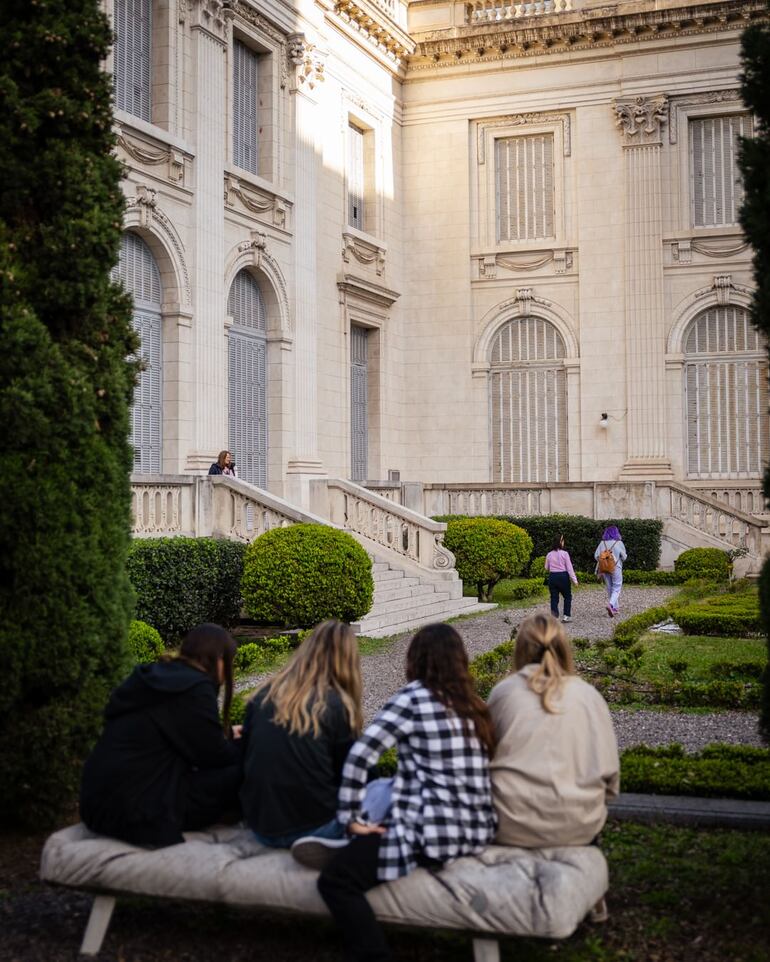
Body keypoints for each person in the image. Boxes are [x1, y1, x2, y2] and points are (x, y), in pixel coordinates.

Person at [293, 623, 497, 962]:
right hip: (476, 830)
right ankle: (359, 838)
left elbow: (360, 756)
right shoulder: (474, 705)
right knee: (390, 791)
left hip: (431, 833)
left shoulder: (412, 699)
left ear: (415, 660)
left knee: (336, 881)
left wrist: (350, 817)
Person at [80, 624, 242, 848]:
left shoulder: (158, 678)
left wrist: (227, 735)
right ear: (219, 658)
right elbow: (214, 756)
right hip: (139, 812)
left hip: (98, 805)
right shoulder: (195, 688)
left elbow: (179, 735)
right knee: (246, 767)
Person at [488, 613, 619, 849]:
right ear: (564, 649)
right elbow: (610, 777)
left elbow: (482, 760)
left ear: (520, 650)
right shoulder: (588, 696)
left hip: (512, 826)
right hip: (578, 825)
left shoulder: (504, 693)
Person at [239, 620, 365, 848]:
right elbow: (352, 772)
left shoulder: (263, 695)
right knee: (380, 791)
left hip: (261, 825)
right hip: (315, 822)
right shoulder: (335, 705)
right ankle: (335, 843)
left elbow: (246, 755)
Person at [594, 525, 628, 617]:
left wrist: (604, 560)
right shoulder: (619, 543)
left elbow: (596, 556)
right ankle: (611, 605)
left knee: (609, 587)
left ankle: (614, 608)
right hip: (616, 567)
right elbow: (624, 557)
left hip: (604, 568)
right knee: (617, 587)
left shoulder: (602, 543)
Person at [544, 534, 578, 622]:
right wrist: (574, 580)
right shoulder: (565, 554)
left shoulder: (549, 554)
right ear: (560, 542)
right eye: (563, 541)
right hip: (563, 577)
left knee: (554, 597)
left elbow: (546, 567)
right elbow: (569, 568)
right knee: (567, 596)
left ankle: (554, 617)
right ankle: (566, 616)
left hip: (553, 577)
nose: (564, 542)